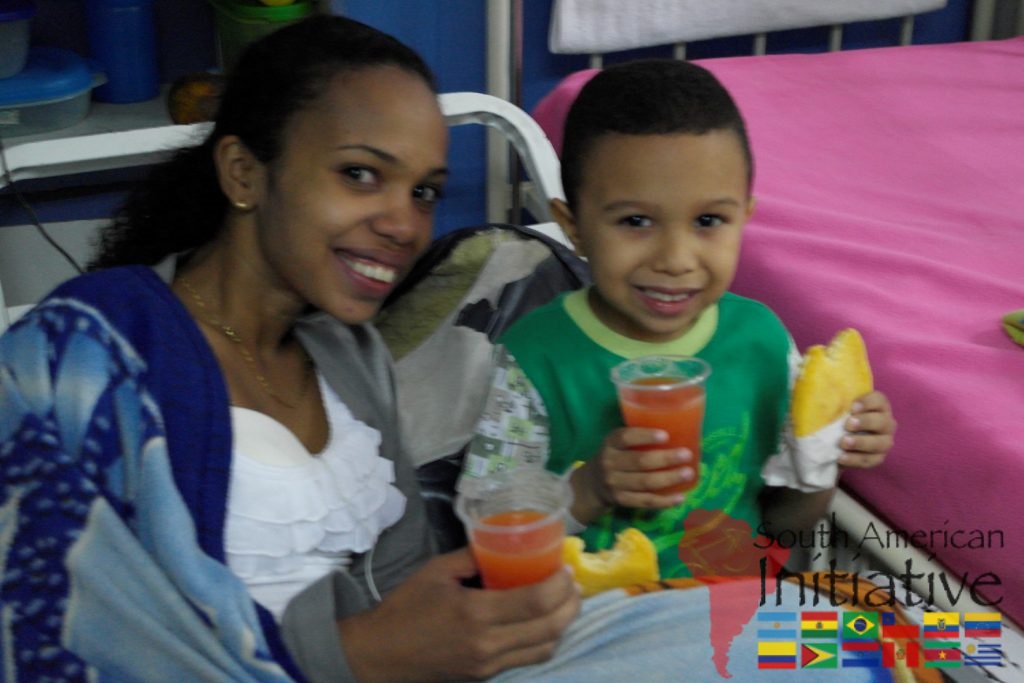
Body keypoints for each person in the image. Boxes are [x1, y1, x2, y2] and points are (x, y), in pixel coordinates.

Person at [0, 15, 580, 682]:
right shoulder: (87, 358)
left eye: (424, 192)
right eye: (360, 173)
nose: (403, 224)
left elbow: (406, 589)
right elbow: (54, 633)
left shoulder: (351, 360)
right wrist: (362, 653)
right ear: (244, 173)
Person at [459, 59, 897, 578]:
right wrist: (590, 489)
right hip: (593, 625)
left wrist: (825, 456)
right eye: (636, 221)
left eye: (708, 221)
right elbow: (486, 532)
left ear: (744, 217)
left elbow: (786, 529)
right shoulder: (536, 358)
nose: (675, 258)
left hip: (736, 618)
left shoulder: (761, 342)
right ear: (574, 227)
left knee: (905, 646)